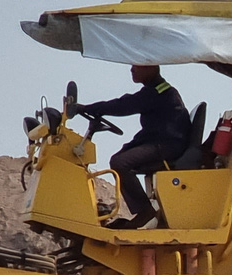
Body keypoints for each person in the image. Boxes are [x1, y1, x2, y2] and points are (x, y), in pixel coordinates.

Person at [77, 65, 190, 229]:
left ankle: (145, 211)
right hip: (164, 142)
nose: (132, 69)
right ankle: (143, 210)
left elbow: (124, 105)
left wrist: (88, 108)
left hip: (167, 145)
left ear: (151, 67)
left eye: (137, 66)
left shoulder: (159, 92)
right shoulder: (157, 90)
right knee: (119, 158)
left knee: (120, 163)